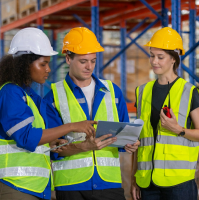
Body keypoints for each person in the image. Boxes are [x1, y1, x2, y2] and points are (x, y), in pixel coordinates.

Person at [0, 27, 96, 200]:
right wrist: (73, 126)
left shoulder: (29, 96)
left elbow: (38, 137)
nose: (48, 69)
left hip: (36, 188)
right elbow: (27, 137)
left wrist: (52, 141)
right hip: (16, 188)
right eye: (43, 64)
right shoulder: (10, 93)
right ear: (24, 64)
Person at [44, 27, 140, 200]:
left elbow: (122, 134)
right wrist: (84, 147)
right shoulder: (53, 96)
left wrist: (128, 144)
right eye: (83, 61)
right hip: (71, 185)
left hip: (109, 183)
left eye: (93, 61)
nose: (89, 67)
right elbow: (52, 148)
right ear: (68, 58)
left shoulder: (113, 91)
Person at [130, 27, 199, 200]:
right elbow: (139, 140)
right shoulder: (142, 91)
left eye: (160, 57)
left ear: (174, 59)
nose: (154, 61)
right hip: (147, 182)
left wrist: (178, 129)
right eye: (152, 55)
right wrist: (133, 178)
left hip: (178, 183)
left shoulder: (189, 92)